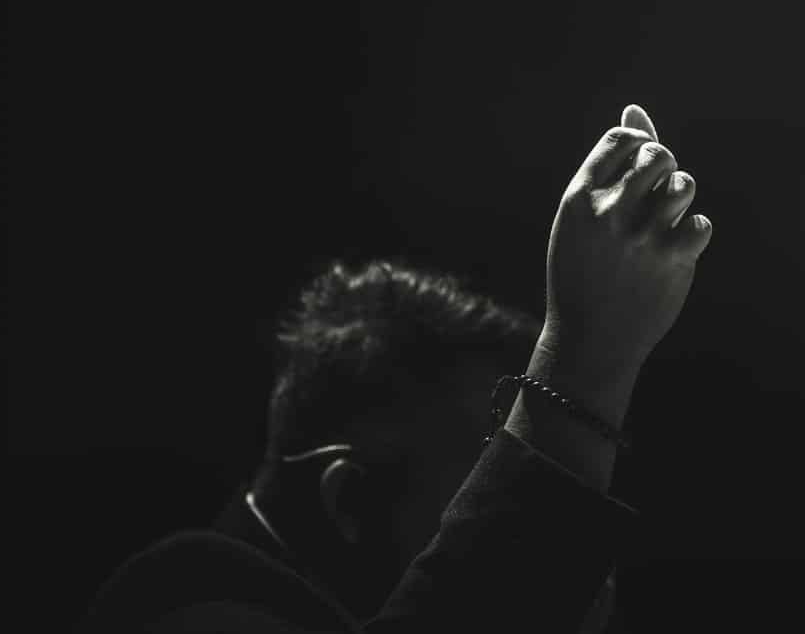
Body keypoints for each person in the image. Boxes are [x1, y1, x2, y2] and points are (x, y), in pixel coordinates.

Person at [77, 104, 713, 633]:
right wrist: (584, 354)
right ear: (349, 499)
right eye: (484, 483)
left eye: (499, 479)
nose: (501, 502)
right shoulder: (194, 615)